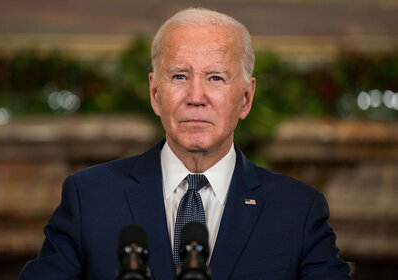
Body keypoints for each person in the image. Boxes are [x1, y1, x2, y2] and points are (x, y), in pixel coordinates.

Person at [19, 7, 351, 280]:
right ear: (155, 94)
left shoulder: (297, 210)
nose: (195, 97)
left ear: (246, 98)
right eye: (179, 76)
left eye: (215, 78)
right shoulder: (89, 197)